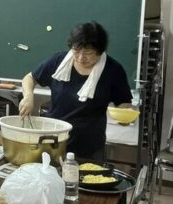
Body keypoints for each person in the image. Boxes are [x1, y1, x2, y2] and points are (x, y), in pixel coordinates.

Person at [19, 21, 133, 161]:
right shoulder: (59, 61)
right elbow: (29, 78)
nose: (80, 58)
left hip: (89, 147)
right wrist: (29, 96)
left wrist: (125, 116)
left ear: (100, 51)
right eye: (76, 51)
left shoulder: (113, 70)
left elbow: (124, 103)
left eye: (88, 53)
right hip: (53, 140)